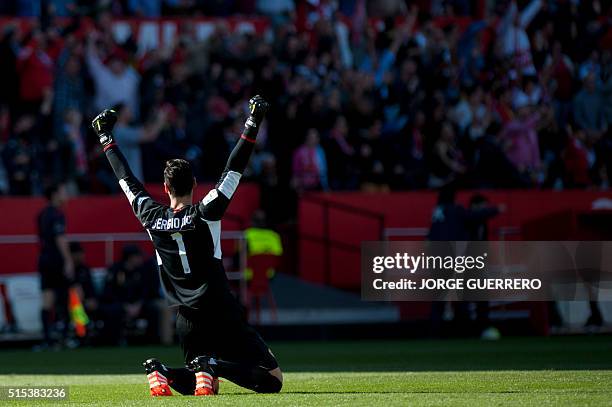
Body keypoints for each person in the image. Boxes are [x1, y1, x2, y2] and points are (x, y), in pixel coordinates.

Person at [91, 95, 282, 397]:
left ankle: (162, 371)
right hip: (220, 308)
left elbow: (126, 179)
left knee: (204, 384)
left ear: (165, 188)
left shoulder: (150, 216)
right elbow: (234, 169)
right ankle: (213, 365)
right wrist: (253, 121)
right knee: (272, 380)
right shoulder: (206, 212)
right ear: (194, 184)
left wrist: (105, 137)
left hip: (186, 316)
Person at [37, 183, 73, 348]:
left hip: (44, 260)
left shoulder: (42, 214)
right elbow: (60, 238)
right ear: (55, 194)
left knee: (47, 300)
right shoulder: (57, 215)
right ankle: (65, 338)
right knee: (63, 299)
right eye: (63, 191)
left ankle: (47, 339)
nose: (66, 194)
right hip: (56, 261)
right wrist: (68, 260)